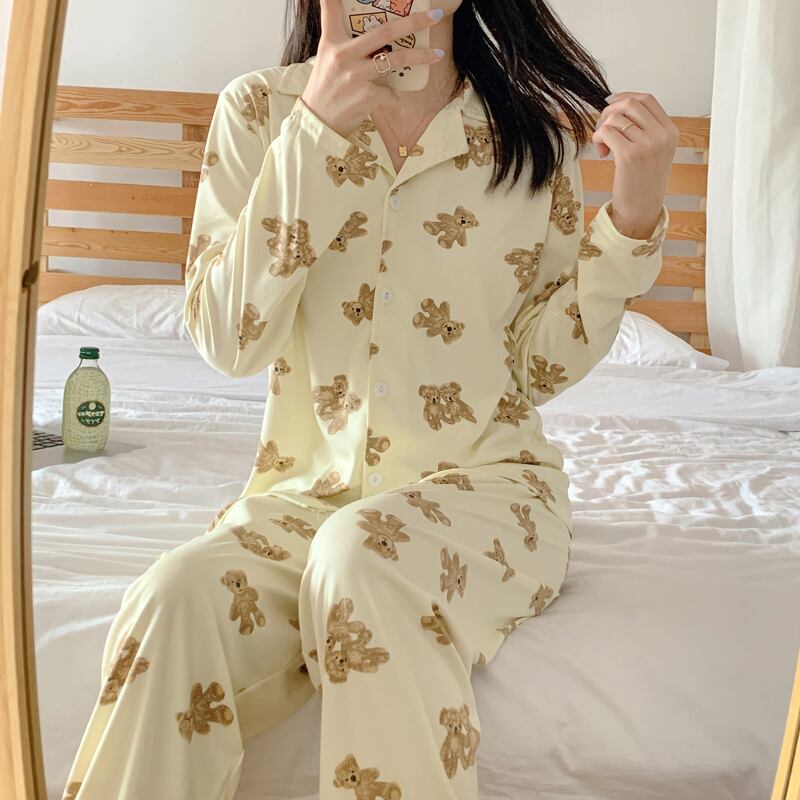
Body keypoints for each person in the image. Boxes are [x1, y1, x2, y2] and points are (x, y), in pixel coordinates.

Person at [62, 1, 676, 798]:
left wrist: (631, 219)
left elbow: (535, 368)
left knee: (360, 556)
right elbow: (228, 340)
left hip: (485, 493)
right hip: (304, 499)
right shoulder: (262, 110)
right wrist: (315, 129)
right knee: (173, 599)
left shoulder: (533, 137)